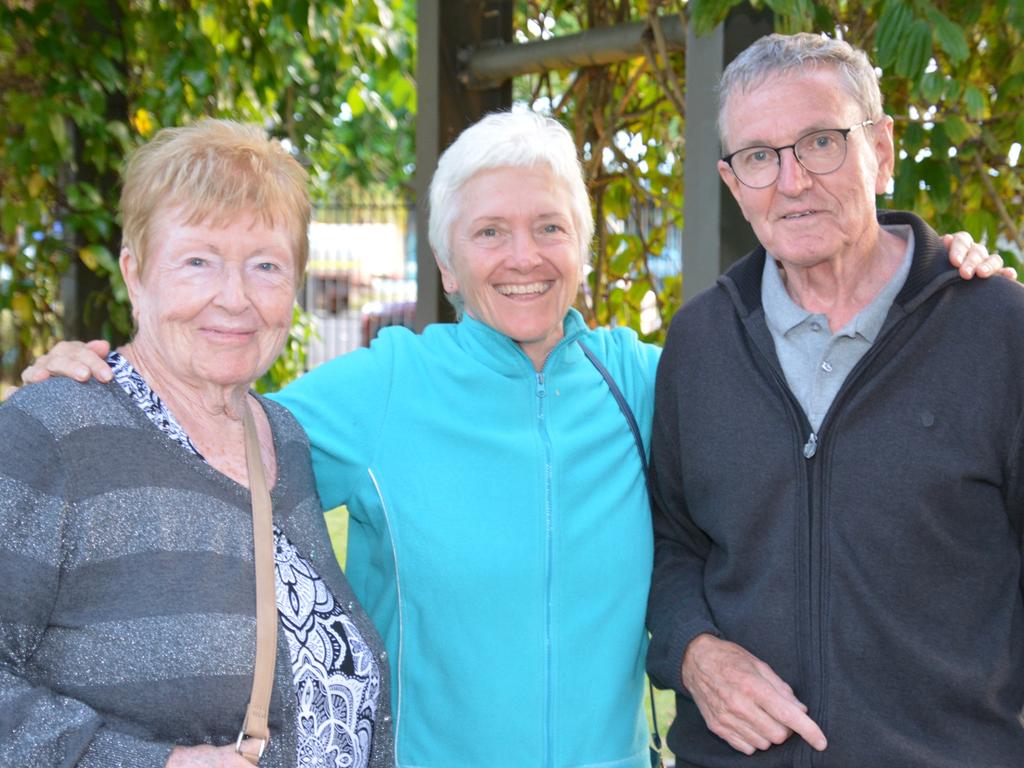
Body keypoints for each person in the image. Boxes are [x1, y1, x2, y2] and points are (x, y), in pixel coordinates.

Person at [17, 111, 1007, 768]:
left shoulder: (651, 378)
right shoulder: (382, 388)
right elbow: (203, 417)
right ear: (447, 260)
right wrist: (99, 374)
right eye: (488, 233)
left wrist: (937, 277)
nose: (522, 257)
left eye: (548, 228)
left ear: (584, 246)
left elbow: (811, 428)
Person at [645, 31, 1024, 768]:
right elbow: (671, 546)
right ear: (732, 181)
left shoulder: (998, 332)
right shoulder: (698, 345)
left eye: (820, 142)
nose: (791, 182)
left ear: (879, 151)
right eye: (759, 156)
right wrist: (692, 651)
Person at [0, 120, 392, 768]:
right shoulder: (55, 433)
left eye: (264, 265)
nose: (234, 298)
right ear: (135, 273)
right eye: (198, 262)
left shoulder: (283, 439)